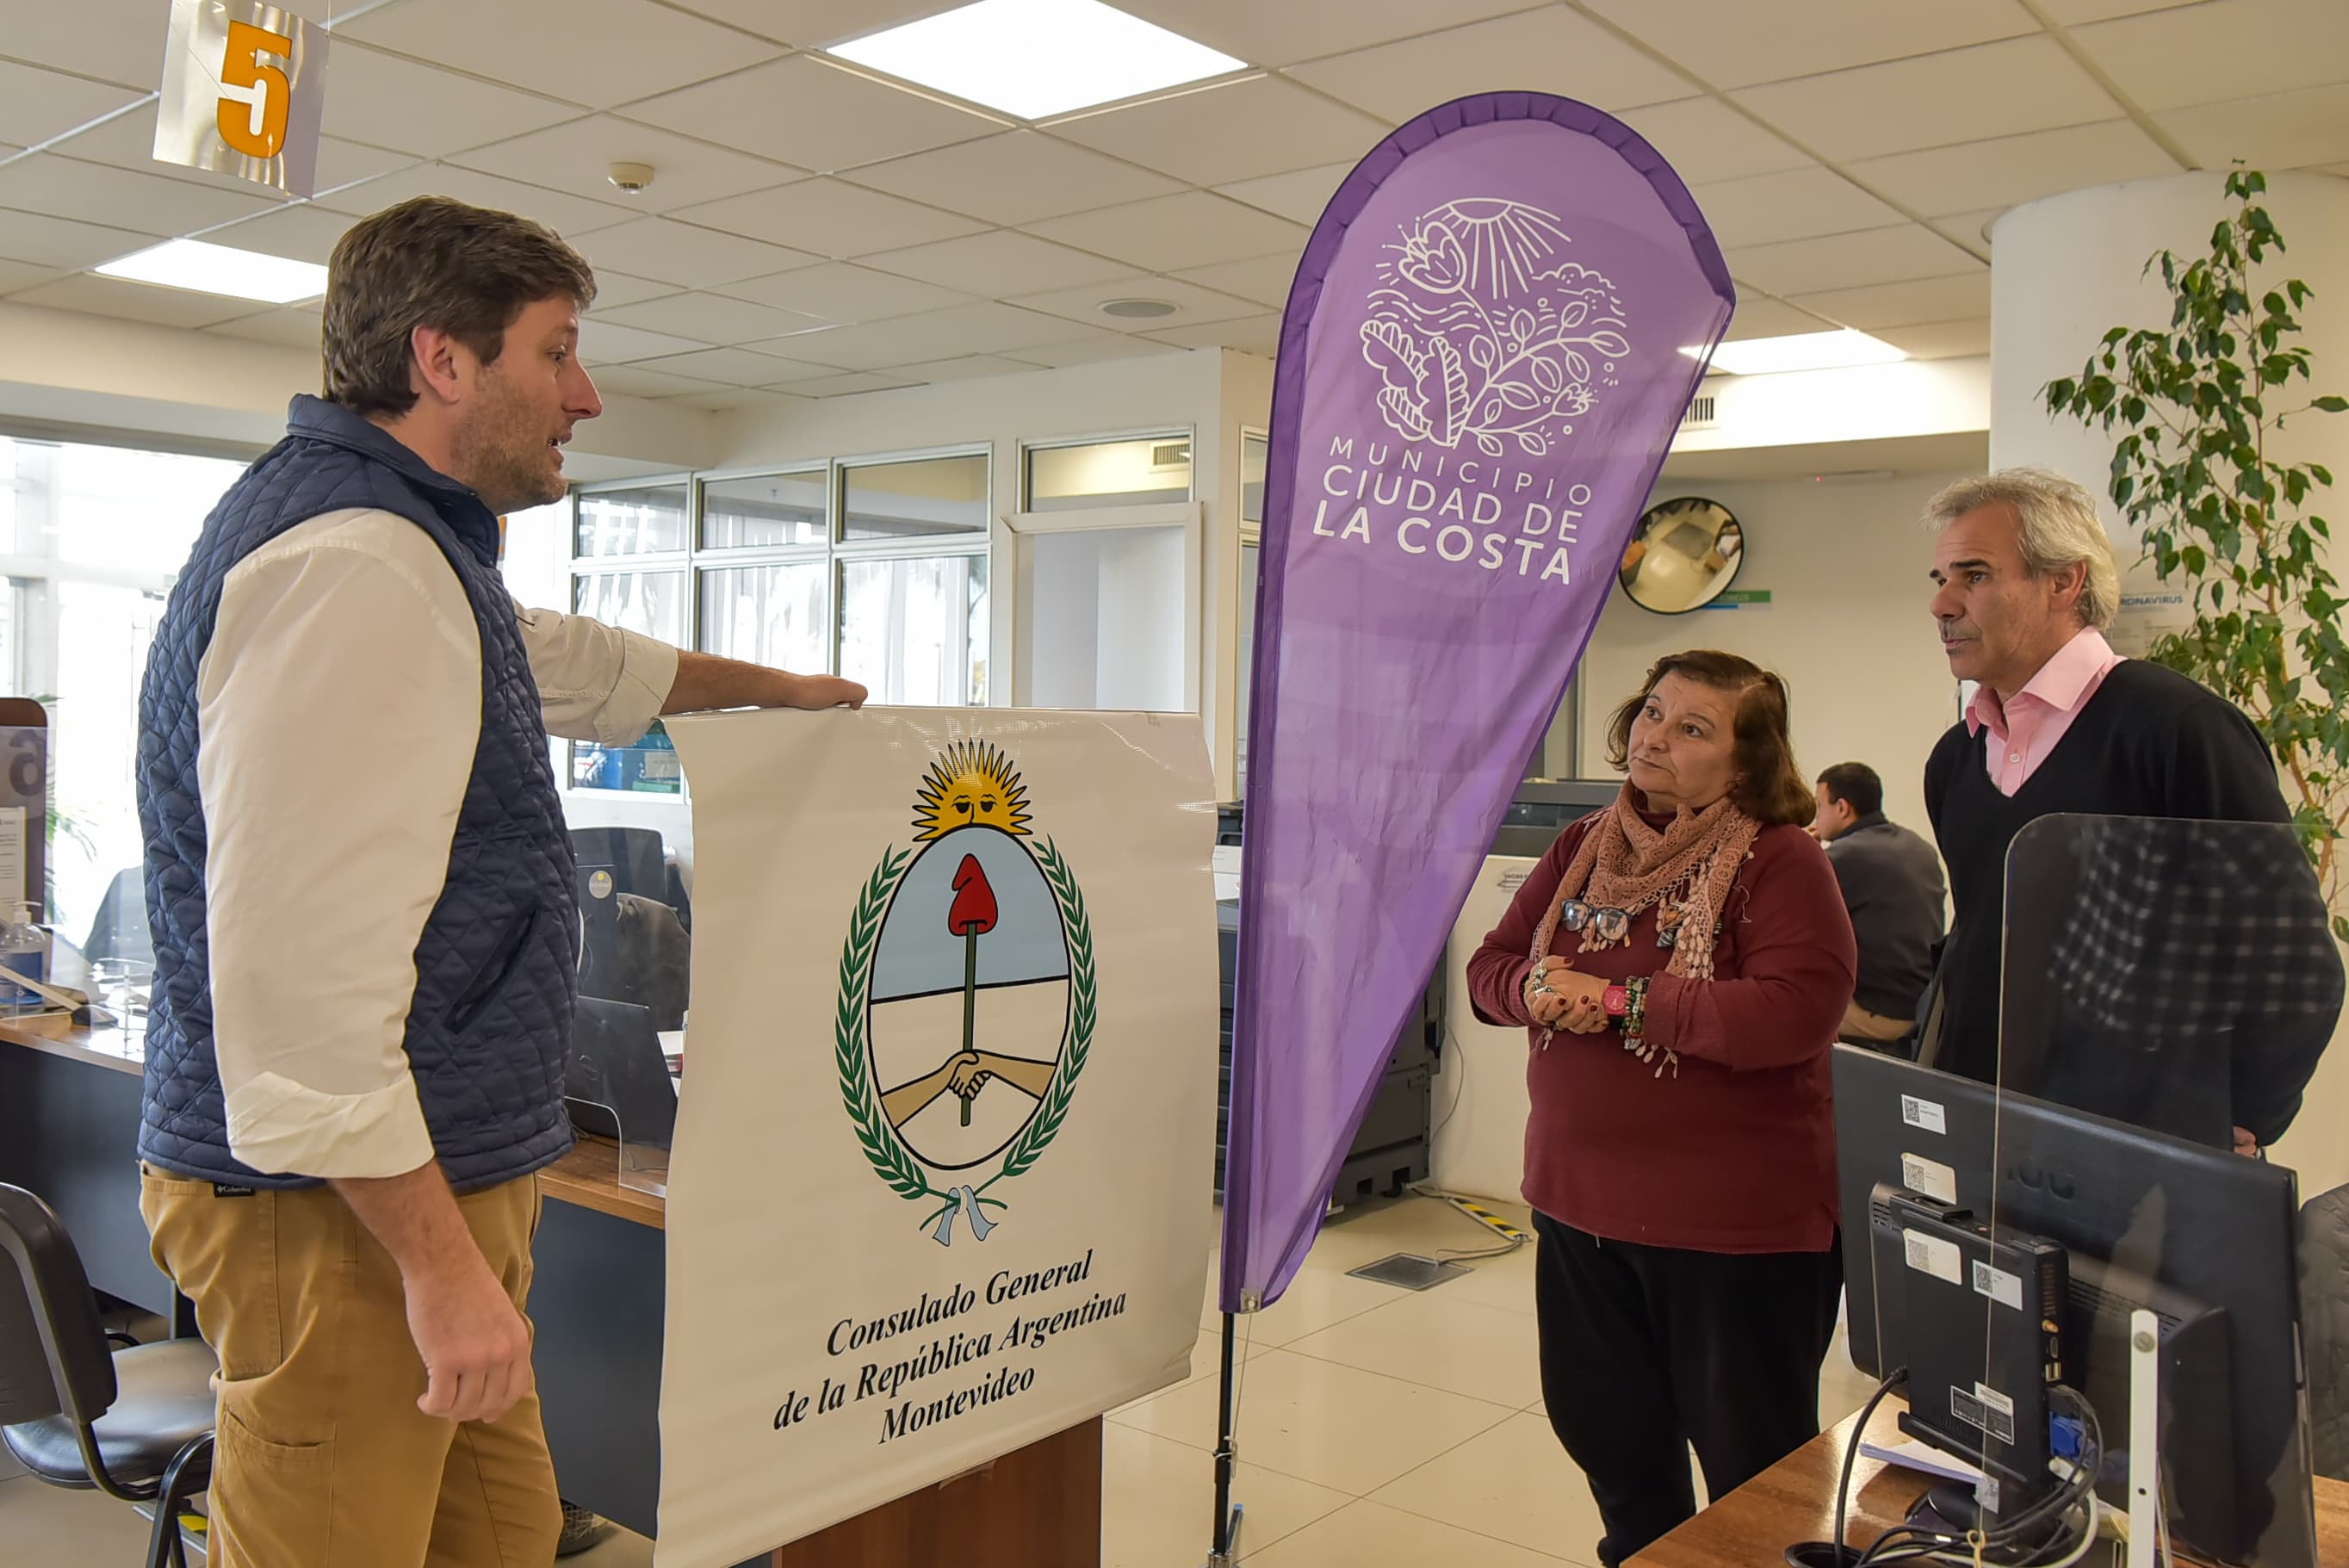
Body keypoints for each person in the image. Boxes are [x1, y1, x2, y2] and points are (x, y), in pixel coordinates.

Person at [133, 195, 866, 1568]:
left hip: (426, 1173)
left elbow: (569, 663)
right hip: (340, 1210)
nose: (586, 395)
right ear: (444, 360)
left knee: (503, 1535)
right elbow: (302, 997)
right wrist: (438, 1267)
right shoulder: (353, 564)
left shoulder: (399, 542)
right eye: (557, 351)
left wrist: (779, 694)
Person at [1467, 649, 1856, 1568]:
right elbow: (1490, 969)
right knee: (1616, 1453)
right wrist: (1533, 991)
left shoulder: (1780, 859)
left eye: (1693, 728)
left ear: (1748, 760)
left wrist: (1620, 1001)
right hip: (1578, 1212)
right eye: (1652, 712)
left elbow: (1794, 1012)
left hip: (1732, 1238)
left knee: (1755, 1483)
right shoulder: (1583, 845)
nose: (1655, 737)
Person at [1918, 467, 2339, 1152]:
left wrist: (2239, 1118)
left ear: (2064, 582)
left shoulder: (2179, 731)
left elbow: (2290, 959)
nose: (1942, 604)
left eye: (1975, 575)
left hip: (2145, 1158)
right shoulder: (1954, 760)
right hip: (1992, 1141)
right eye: (1941, 579)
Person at [1811, 761, 1944, 1050]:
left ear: (1842, 808)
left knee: (1780, 1012)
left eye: (1819, 806)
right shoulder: (1920, 848)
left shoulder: (1842, 856)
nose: (1816, 817)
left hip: (1878, 1013)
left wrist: (1803, 853)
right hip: (1923, 1008)